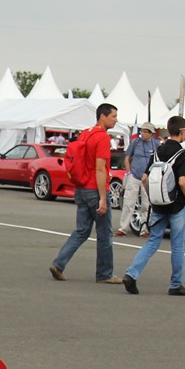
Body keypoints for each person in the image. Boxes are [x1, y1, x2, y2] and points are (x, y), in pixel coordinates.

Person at [50, 103, 123, 283]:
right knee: (105, 233)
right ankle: (105, 274)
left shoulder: (86, 133)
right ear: (103, 116)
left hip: (81, 186)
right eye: (113, 116)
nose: (116, 120)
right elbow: (100, 169)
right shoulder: (103, 138)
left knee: (81, 231)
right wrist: (103, 199)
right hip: (94, 189)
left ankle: (59, 263)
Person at [121, 116, 185, 296]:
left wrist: (153, 197)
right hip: (177, 205)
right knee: (177, 245)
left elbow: (145, 178)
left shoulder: (157, 151)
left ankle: (132, 274)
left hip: (158, 205)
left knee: (153, 240)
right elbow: (183, 182)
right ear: (182, 132)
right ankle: (176, 284)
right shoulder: (182, 154)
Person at [117, 123, 156, 237]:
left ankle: (144, 229)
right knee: (129, 202)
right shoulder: (135, 142)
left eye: (145, 131)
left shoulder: (156, 145)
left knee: (146, 204)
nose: (142, 133)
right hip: (134, 175)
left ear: (150, 134)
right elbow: (127, 158)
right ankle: (123, 227)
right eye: (142, 131)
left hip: (147, 178)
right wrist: (129, 172)